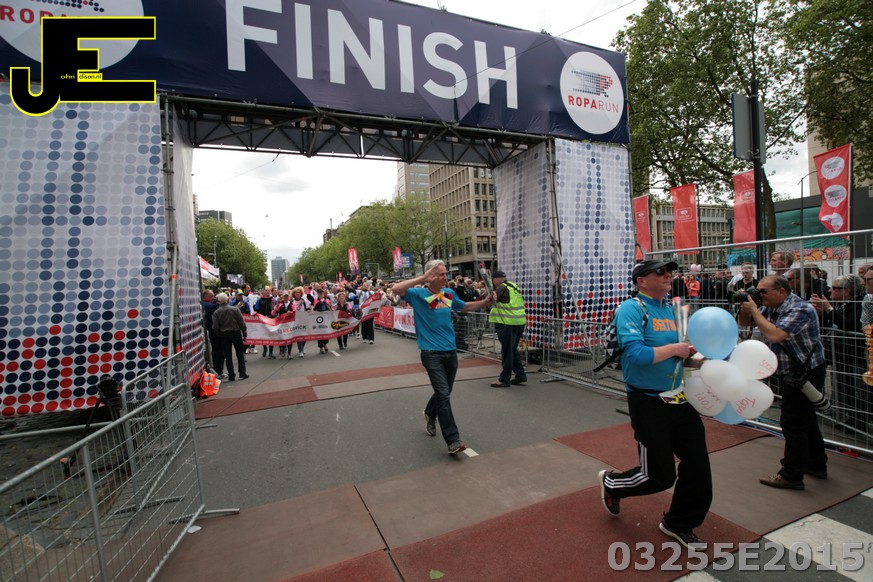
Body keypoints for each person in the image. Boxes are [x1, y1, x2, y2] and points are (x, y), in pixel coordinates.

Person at [598, 259, 710, 549]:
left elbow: (684, 352)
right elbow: (636, 355)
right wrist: (675, 349)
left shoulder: (673, 309)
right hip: (648, 402)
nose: (668, 275)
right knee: (659, 476)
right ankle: (612, 484)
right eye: (660, 272)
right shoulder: (632, 308)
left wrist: (697, 355)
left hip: (681, 398)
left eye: (669, 271)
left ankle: (678, 522)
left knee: (698, 467)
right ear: (641, 280)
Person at [392, 259, 495, 455]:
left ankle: (430, 413)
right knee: (443, 394)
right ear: (430, 276)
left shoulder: (447, 294)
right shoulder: (418, 295)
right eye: (440, 274)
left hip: (450, 351)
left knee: (444, 393)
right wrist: (422, 278)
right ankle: (453, 440)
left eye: (445, 273)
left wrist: (484, 302)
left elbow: (463, 307)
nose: (445, 277)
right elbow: (396, 289)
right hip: (431, 353)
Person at [738, 275, 828, 490]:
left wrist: (755, 312)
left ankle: (791, 475)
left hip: (806, 371)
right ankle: (816, 464)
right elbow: (744, 325)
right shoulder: (771, 306)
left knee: (792, 423)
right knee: (806, 419)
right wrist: (746, 309)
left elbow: (776, 335)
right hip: (790, 370)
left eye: (763, 291)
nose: (759, 295)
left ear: (781, 291)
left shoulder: (800, 309)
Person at [811, 274, 869, 429]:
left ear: (847, 291)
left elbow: (849, 325)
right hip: (839, 353)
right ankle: (846, 417)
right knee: (842, 387)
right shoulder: (838, 304)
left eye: (835, 288)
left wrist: (828, 308)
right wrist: (821, 311)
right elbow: (829, 323)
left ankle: (859, 422)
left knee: (857, 389)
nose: (830, 290)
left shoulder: (858, 304)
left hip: (854, 353)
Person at [488, 270, 528, 388]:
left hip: (506, 323)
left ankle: (504, 379)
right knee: (512, 350)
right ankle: (520, 375)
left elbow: (489, 302)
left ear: (496, 279)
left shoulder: (501, 288)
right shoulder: (514, 286)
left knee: (507, 351)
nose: (493, 282)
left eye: (493, 279)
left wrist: (490, 294)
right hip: (519, 322)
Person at [212, 293, 249, 381]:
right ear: (227, 300)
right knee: (240, 353)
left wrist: (218, 334)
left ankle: (231, 374)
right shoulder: (235, 309)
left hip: (224, 334)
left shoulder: (216, 312)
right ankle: (242, 372)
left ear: (219, 301)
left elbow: (215, 327)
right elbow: (241, 322)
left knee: (228, 355)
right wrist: (244, 331)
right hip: (236, 332)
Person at [201, 290, 224, 377]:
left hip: (206, 331)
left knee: (213, 351)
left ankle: (215, 368)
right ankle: (218, 370)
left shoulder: (202, 305)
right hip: (214, 331)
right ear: (205, 296)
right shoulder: (211, 306)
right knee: (218, 351)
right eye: (211, 296)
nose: (213, 298)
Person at [313, 288, 332, 354]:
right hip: (319, 319)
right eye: (319, 293)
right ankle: (321, 347)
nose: (320, 294)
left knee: (326, 331)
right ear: (317, 294)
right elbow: (314, 309)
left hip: (326, 318)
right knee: (320, 332)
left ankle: (325, 343)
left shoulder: (327, 300)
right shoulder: (316, 300)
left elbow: (330, 308)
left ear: (323, 294)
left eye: (321, 293)